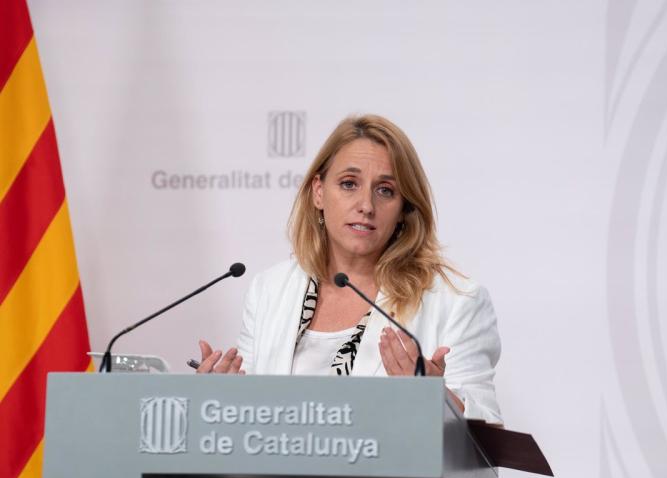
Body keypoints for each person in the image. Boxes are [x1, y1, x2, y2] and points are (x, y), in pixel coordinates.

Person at [197, 114, 502, 424]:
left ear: (404, 209)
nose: (366, 205)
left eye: (385, 190)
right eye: (349, 184)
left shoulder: (457, 302)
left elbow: (487, 435)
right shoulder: (269, 290)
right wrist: (220, 403)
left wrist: (436, 401)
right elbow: (250, 418)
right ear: (318, 191)